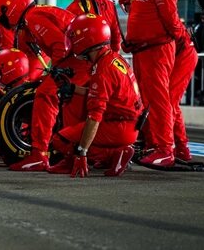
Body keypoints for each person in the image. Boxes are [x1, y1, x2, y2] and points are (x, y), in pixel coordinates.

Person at [0, 0, 90, 171]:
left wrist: (55, 70)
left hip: (77, 60)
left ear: (11, 7)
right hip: (83, 58)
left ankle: (39, 155)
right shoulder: (37, 14)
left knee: (45, 94)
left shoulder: (33, 18)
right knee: (70, 104)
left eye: (3, 14)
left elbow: (61, 46)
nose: (4, 21)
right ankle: (72, 155)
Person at [116, 0, 189, 167]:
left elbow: (171, 20)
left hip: (157, 50)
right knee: (149, 101)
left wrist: (180, 41)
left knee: (159, 101)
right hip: (144, 51)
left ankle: (165, 149)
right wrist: (132, 44)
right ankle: (155, 144)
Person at [48, 14, 141, 177]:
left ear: (86, 39)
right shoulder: (112, 58)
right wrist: (73, 88)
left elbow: (95, 116)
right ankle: (112, 155)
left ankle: (114, 155)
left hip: (118, 126)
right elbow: (103, 94)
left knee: (60, 140)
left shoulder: (103, 70)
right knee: (78, 134)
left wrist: (81, 153)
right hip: (128, 124)